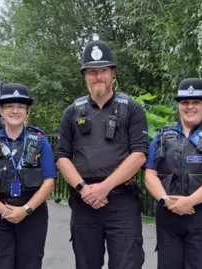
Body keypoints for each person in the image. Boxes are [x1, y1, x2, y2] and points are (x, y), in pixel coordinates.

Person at [55, 39, 148, 269]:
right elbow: (62, 157)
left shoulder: (132, 109)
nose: (98, 77)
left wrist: (104, 187)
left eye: (103, 70)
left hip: (122, 202)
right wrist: (85, 190)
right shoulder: (71, 112)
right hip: (84, 202)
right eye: (92, 71)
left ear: (113, 73)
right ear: (85, 75)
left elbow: (139, 155)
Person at [145, 77, 202, 269]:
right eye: (185, 102)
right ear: (179, 105)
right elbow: (150, 175)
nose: (190, 107)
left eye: (196, 102)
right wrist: (165, 200)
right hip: (169, 218)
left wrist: (190, 201)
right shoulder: (163, 137)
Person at [0, 83, 56, 269]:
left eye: (21, 106)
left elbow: (49, 182)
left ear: (27, 111)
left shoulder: (40, 141)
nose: (15, 111)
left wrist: (26, 210)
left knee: (30, 264)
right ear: (0, 110)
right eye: (9, 106)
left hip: (32, 215)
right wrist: (4, 211)